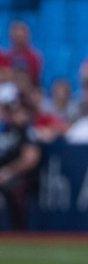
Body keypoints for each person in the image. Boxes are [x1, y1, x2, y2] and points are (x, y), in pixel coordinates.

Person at [0, 84, 41, 231]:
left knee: (12, 188)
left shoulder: (25, 129)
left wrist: (7, 172)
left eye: (10, 108)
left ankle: (20, 231)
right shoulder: (4, 129)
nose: (7, 113)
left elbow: (30, 158)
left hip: (20, 176)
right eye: (5, 108)